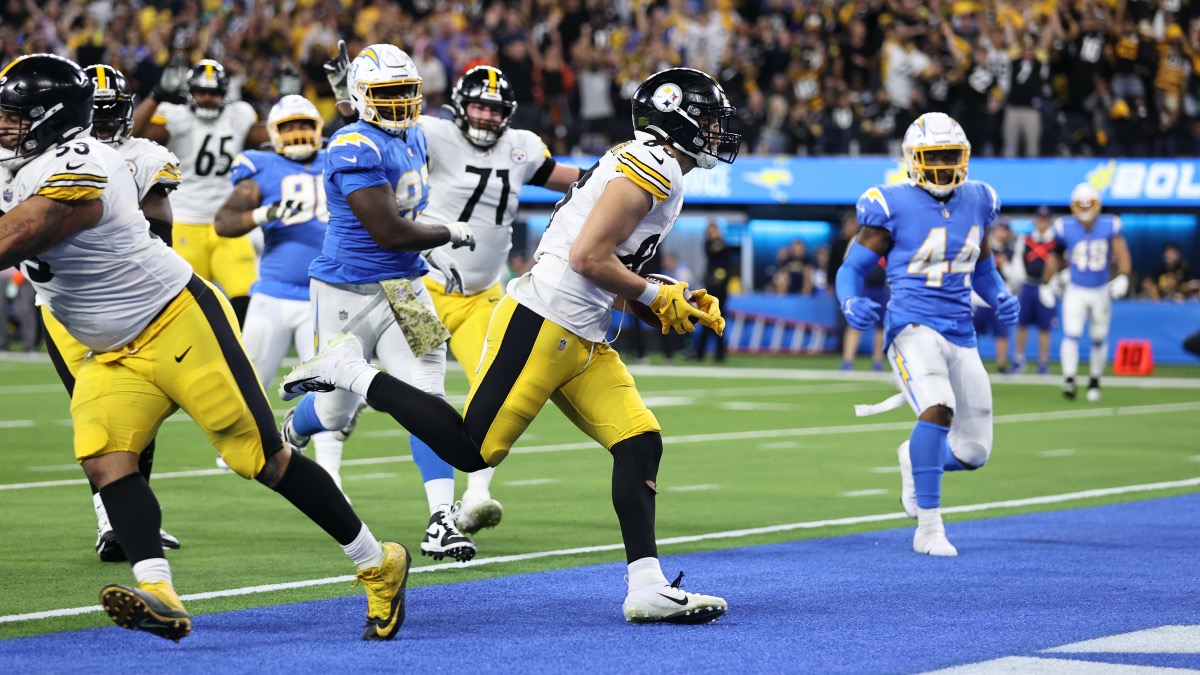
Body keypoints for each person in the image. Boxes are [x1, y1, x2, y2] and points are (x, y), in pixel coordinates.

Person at [280, 67, 737, 625]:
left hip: (554, 319)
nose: (717, 131)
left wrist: (666, 298)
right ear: (675, 117)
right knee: (466, 444)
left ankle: (645, 585)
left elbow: (593, 257)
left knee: (639, 441)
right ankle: (347, 373)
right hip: (473, 302)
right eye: (709, 119)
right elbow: (586, 257)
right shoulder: (652, 164)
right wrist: (652, 294)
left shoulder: (561, 152)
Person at [0, 54, 409, 643]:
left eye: (16, 114)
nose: (5, 124)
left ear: (52, 119)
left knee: (264, 458)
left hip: (175, 321)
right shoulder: (21, 163)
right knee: (105, 458)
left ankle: (378, 561)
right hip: (111, 349)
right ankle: (159, 591)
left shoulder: (84, 160)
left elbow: (24, 231)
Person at [278, 44, 480, 563]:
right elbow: (388, 231)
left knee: (429, 398)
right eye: (387, 94)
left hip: (406, 290)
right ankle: (296, 425)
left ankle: (441, 519)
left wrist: (428, 252)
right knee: (333, 411)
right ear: (364, 98)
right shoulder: (352, 146)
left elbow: (406, 214)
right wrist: (446, 233)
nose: (400, 103)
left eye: (406, 92)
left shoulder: (414, 134)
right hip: (346, 292)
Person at [837, 112, 1019, 557]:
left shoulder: (979, 199)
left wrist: (999, 294)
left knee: (974, 451)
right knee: (938, 406)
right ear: (912, 159)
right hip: (911, 325)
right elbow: (852, 266)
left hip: (961, 331)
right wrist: (850, 300)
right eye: (932, 155)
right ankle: (929, 528)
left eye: (949, 155)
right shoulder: (890, 203)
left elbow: (983, 268)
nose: (941, 164)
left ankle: (913, 456)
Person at [413, 64, 581, 534]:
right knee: (410, 397)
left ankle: (472, 498)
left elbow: (569, 178)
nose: (486, 116)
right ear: (459, 106)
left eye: (494, 109)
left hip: (482, 293)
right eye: (478, 106)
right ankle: (302, 428)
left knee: (493, 389)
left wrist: (622, 173)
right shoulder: (431, 134)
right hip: (420, 290)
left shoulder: (521, 146)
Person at [42, 64, 185, 562]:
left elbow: (162, 233)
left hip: (130, 304)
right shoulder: (41, 158)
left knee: (138, 413)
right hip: (64, 305)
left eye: (110, 113)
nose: (102, 123)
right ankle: (112, 525)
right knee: (97, 415)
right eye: (95, 113)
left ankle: (131, 521)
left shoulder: (145, 156)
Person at [213, 94, 350, 488]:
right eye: (289, 126)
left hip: (325, 294)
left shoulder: (337, 159)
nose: (298, 132)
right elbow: (223, 222)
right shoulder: (262, 165)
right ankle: (245, 447)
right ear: (273, 132)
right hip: (273, 294)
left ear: (319, 127)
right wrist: (263, 213)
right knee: (250, 378)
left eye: (304, 124)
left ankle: (331, 475)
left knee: (328, 385)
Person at [132, 57, 270, 326]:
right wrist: (156, 96)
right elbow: (133, 135)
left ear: (225, 94)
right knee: (185, 308)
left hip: (226, 223)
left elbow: (271, 138)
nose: (207, 98)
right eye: (202, 92)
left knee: (246, 297)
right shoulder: (175, 115)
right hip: (185, 221)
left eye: (214, 93)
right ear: (190, 92)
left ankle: (238, 350)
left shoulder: (239, 114)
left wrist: (285, 102)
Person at [1050, 184, 1132, 402]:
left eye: (1089, 204)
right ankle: (1069, 378)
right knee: (1071, 333)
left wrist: (1124, 275)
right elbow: (1054, 255)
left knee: (1098, 336)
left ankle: (1095, 380)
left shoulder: (1110, 225)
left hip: (1100, 289)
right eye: (1081, 204)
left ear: (1098, 205)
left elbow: (1121, 251)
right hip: (1075, 288)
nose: (1085, 208)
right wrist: (1049, 281)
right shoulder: (1064, 226)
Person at [1011, 205, 1058, 373]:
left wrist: (1053, 284)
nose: (1043, 222)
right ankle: (1019, 359)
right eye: (1040, 219)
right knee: (1022, 324)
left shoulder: (1056, 241)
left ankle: (1043, 362)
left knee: (1045, 326)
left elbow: (1060, 263)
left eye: (1045, 219)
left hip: (1047, 286)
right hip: (1028, 284)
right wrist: (1019, 283)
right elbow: (1018, 261)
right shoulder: (1026, 239)